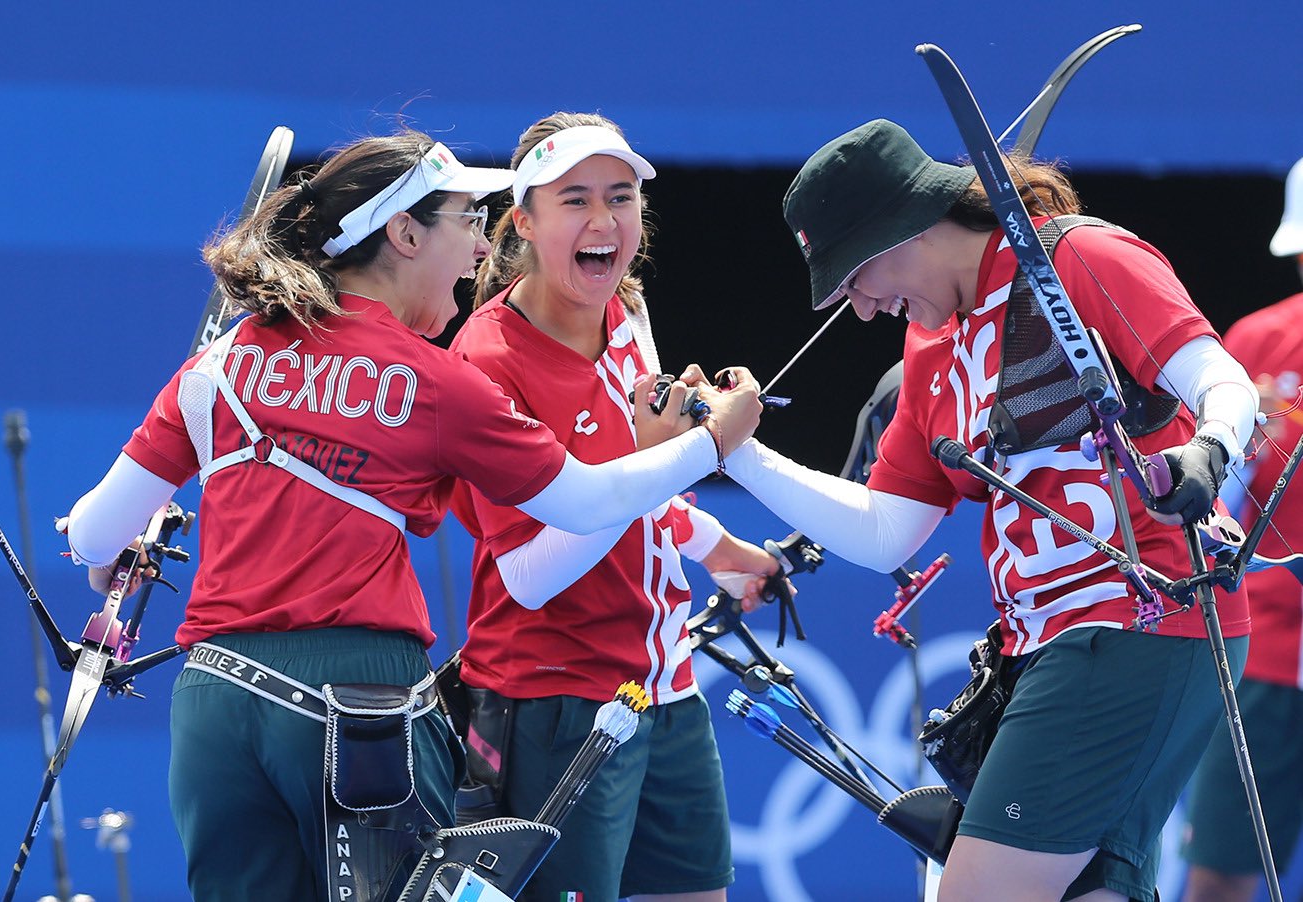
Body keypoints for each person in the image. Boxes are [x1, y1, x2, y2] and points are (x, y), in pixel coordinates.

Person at [61, 130, 762, 902]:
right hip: (356, 703)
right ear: (404, 233)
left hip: (216, 705)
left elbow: (93, 534)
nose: (479, 249)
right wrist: (711, 441)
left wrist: (121, 546)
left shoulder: (216, 367)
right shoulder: (437, 381)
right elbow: (588, 502)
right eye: (467, 220)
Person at [714, 120, 1260, 902]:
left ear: (903, 227)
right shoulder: (929, 348)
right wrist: (736, 453)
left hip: (1138, 623)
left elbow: (1219, 378)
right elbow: (885, 530)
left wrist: (1207, 451)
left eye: (854, 278)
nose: (862, 310)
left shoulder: (1078, 256)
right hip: (1043, 647)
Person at [447, 112, 775, 902]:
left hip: (666, 687)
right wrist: (687, 451)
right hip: (552, 700)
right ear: (524, 221)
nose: (604, 221)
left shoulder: (627, 313)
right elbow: (528, 575)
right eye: (576, 200)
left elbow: (642, 491)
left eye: (621, 197)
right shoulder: (484, 360)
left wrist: (715, 545)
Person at [1181, 155, 1303, 902]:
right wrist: (1244, 447)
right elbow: (1212, 499)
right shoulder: (1259, 342)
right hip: (1268, 654)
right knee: (1220, 874)